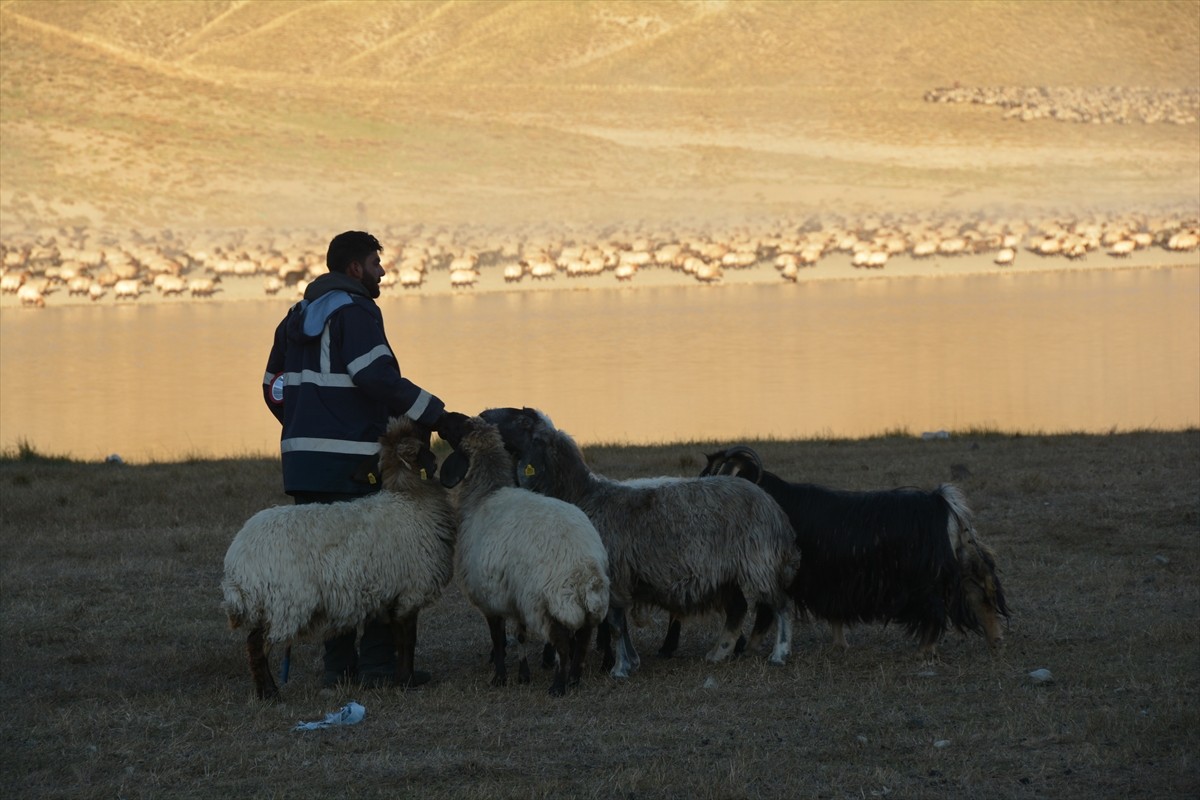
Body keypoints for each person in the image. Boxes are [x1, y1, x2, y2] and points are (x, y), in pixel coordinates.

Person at [262, 230, 466, 690]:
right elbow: (376, 377)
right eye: (376, 263)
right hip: (354, 461)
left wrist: (302, 425)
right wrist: (438, 416)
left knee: (331, 567)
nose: (383, 271)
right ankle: (378, 667)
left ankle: (338, 668)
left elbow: (273, 387)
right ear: (354, 268)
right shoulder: (355, 312)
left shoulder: (294, 317)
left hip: (303, 465)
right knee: (376, 562)